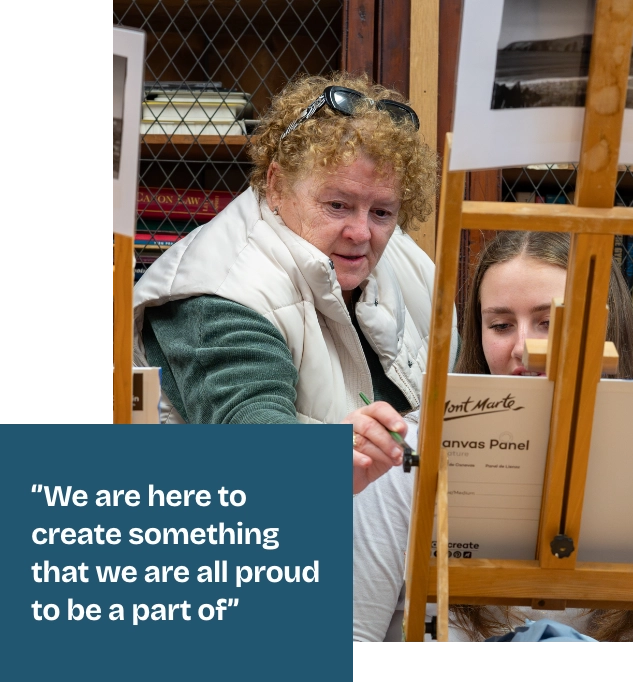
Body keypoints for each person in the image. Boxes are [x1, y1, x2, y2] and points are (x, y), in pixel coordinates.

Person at [132, 71, 459, 494]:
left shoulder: (406, 258)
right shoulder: (221, 294)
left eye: (382, 212)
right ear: (277, 185)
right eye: (338, 205)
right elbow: (251, 439)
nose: (361, 233)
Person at [353, 230, 633, 642]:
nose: (523, 348)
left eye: (550, 322)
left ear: (607, 327)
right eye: (500, 325)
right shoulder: (405, 456)